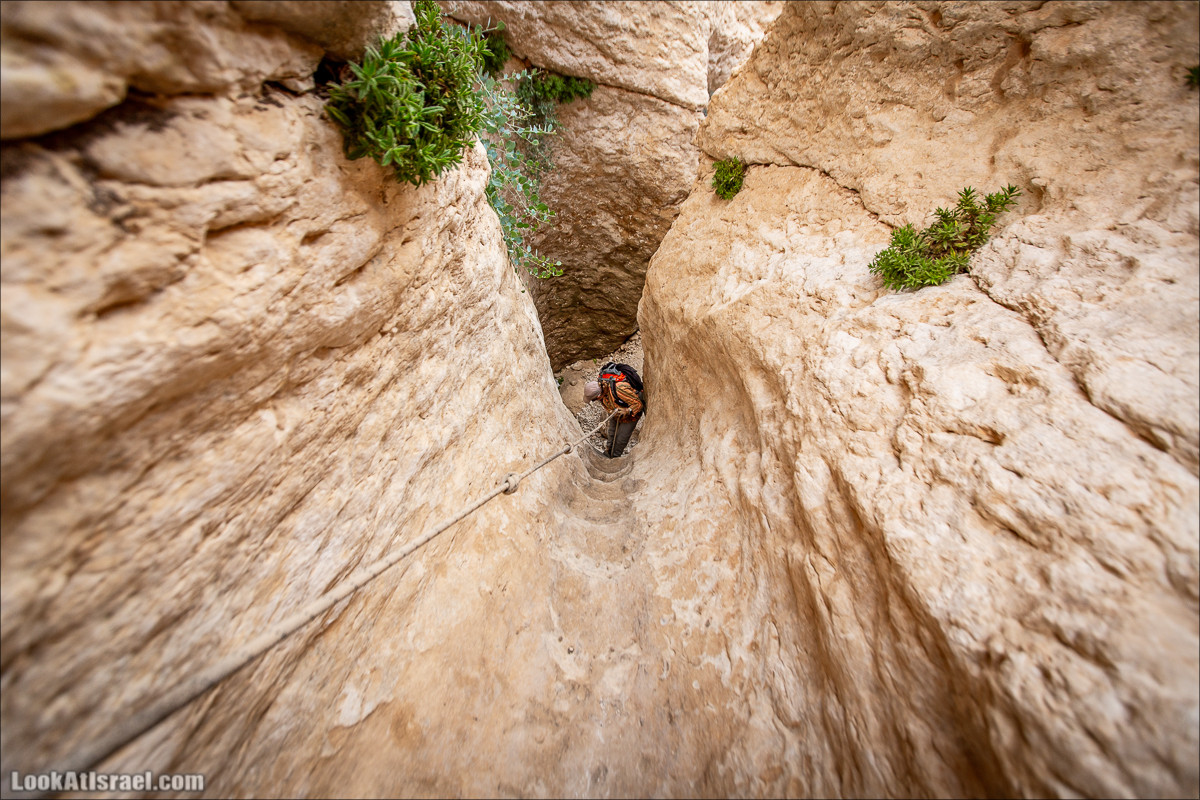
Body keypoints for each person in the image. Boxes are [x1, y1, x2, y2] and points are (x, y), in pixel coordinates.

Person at [584, 362, 644, 458]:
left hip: (631, 415)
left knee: (621, 439)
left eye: (594, 399)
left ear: (598, 395)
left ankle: (615, 457)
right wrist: (613, 412)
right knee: (611, 433)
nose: (595, 401)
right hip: (615, 411)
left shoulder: (619, 388)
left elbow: (638, 404)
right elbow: (608, 404)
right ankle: (608, 453)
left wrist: (627, 411)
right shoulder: (603, 392)